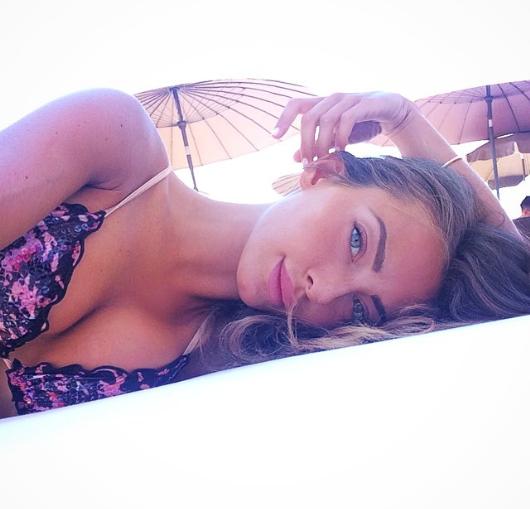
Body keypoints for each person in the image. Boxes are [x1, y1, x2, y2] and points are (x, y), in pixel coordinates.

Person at [1, 90, 529, 418]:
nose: (325, 291)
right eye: (357, 241)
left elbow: (516, 294)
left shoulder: (221, 363)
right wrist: (402, 117)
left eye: (361, 308)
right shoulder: (113, 143)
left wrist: (408, 120)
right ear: (324, 172)